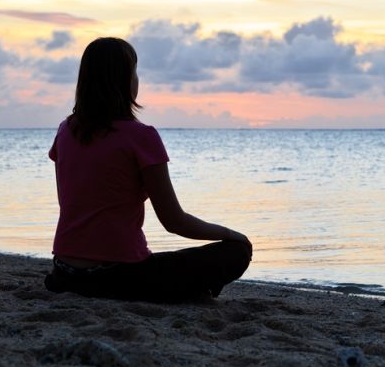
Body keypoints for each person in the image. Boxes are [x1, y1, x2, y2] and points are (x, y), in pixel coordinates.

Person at [44, 37, 251, 302]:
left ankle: (190, 291)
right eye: (134, 71)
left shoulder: (66, 130)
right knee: (236, 252)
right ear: (123, 80)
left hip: (64, 274)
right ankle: (190, 292)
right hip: (120, 277)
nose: (137, 78)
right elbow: (174, 221)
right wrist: (231, 234)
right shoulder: (141, 137)